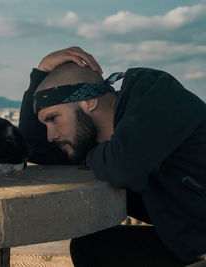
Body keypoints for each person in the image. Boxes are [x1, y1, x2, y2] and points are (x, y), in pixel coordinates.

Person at [19, 46, 206, 266]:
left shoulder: (153, 91)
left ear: (88, 101)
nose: (50, 135)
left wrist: (91, 158)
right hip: (192, 244)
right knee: (90, 247)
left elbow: (123, 169)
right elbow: (34, 148)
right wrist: (41, 73)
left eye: (54, 119)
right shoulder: (103, 145)